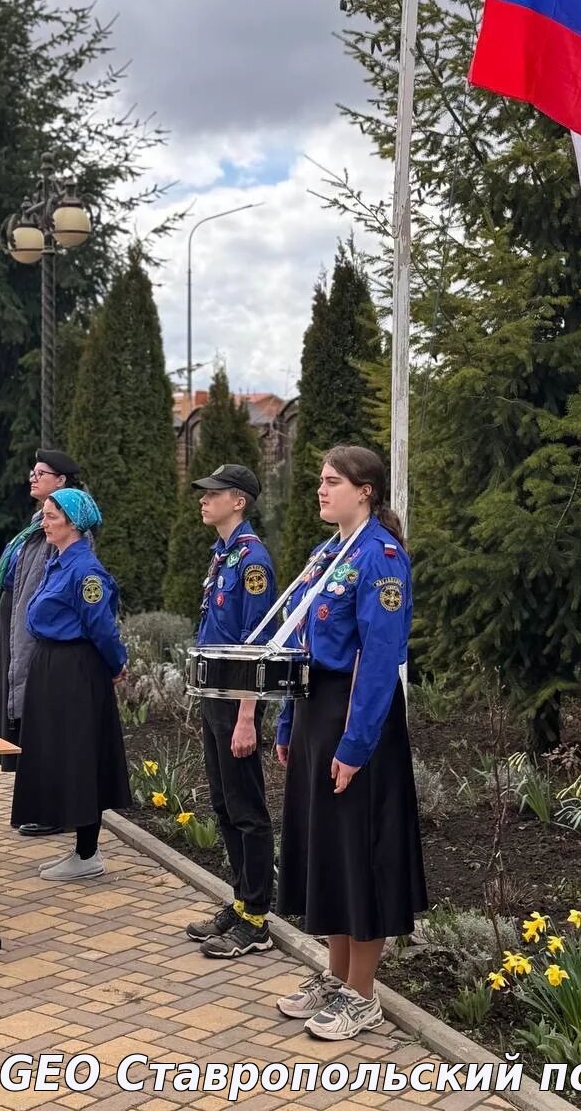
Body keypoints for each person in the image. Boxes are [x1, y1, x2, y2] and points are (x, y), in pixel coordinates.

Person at [274, 445, 427, 1039]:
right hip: (317, 713)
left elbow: (381, 658)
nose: (322, 489)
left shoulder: (381, 559)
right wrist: (287, 722)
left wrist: (355, 745)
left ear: (365, 490)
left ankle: (363, 994)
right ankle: (336, 978)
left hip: (358, 717)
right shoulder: (327, 554)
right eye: (321, 480)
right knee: (330, 850)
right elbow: (298, 644)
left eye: (333, 481)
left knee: (361, 853)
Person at [10, 487, 131, 881]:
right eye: (44, 515)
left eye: (52, 516)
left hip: (76, 671)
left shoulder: (85, 571)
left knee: (80, 756)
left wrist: (117, 664)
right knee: (60, 754)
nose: (44, 523)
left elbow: (103, 628)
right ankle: (79, 850)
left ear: (74, 523)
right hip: (53, 669)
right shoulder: (59, 562)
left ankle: (88, 853)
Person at [183, 464, 278, 958]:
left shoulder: (252, 561)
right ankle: (241, 901)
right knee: (223, 802)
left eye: (213, 493)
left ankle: (257, 918)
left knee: (246, 808)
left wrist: (246, 717)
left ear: (238, 501)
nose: (203, 500)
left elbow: (256, 644)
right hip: (215, 693)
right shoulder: (224, 554)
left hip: (236, 699)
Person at [0, 449, 83, 844]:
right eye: (33, 471)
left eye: (41, 472)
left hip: (39, 638)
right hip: (19, 629)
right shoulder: (36, 524)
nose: (32, 476)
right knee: (28, 721)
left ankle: (52, 809)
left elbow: (58, 584)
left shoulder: (66, 527)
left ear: (61, 482)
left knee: (41, 721)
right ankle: (39, 805)